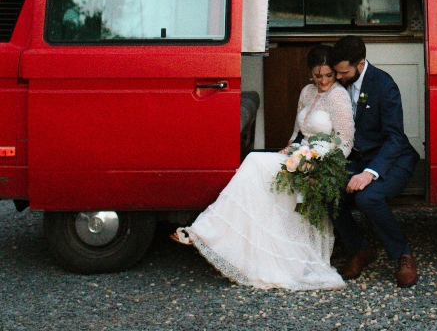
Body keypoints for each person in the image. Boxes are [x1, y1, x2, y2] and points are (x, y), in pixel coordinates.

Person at [170, 45, 354, 290]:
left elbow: (346, 141)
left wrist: (321, 164)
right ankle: (208, 232)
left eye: (328, 76)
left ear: (335, 73)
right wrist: (290, 149)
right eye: (317, 76)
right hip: (301, 154)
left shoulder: (338, 96)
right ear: (310, 73)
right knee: (256, 162)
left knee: (257, 163)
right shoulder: (307, 91)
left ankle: (205, 229)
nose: (322, 81)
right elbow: (298, 132)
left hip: (323, 160)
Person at [330, 36, 420, 288]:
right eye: (336, 71)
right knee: (329, 193)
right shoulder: (338, 84)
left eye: (343, 71)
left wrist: (369, 173)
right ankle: (360, 249)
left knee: (367, 198)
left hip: (393, 159)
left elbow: (394, 138)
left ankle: (403, 253)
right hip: (356, 157)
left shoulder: (384, 85)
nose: (338, 77)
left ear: (360, 64)